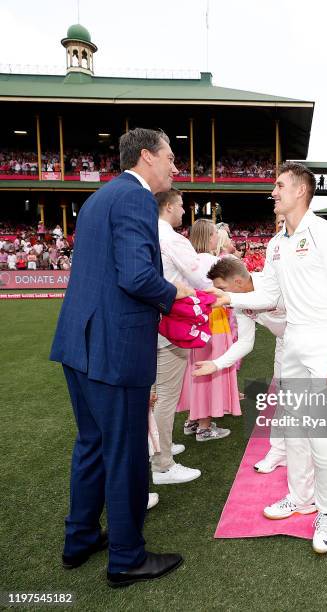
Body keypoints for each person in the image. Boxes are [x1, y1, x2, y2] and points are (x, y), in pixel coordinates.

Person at [50, 127, 193, 588]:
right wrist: (176, 293)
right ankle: (127, 557)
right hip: (113, 348)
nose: (176, 166)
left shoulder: (98, 199)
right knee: (126, 451)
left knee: (91, 445)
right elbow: (135, 276)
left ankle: (80, 539)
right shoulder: (134, 200)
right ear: (148, 157)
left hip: (81, 342)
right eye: (171, 156)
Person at [208, 162, 327, 554]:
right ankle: (300, 497)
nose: (272, 192)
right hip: (294, 340)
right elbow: (270, 296)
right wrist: (233, 298)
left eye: (279, 185)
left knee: (322, 434)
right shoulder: (276, 245)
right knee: (292, 427)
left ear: (300, 192)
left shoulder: (326, 235)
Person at [194, 256, 287, 473]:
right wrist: (216, 364)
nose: (219, 293)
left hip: (315, 337)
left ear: (237, 282)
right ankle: (279, 451)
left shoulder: (270, 282)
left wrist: (229, 299)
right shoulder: (237, 301)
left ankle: (314, 453)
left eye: (222, 288)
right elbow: (246, 342)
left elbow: (269, 300)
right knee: (284, 396)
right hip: (285, 342)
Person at [151, 189, 204, 485]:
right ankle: (163, 463)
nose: (184, 211)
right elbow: (200, 277)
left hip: (152, 323)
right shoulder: (172, 238)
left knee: (155, 394)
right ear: (169, 206)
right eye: (182, 205)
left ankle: (159, 447)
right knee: (165, 396)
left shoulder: (150, 233)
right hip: (171, 324)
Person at [177, 219, 241, 440]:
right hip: (214, 321)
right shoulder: (214, 262)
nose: (216, 236)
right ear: (209, 237)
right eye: (214, 233)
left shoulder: (186, 262)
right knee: (209, 370)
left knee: (193, 369)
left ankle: (192, 420)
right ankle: (204, 426)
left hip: (190, 321)